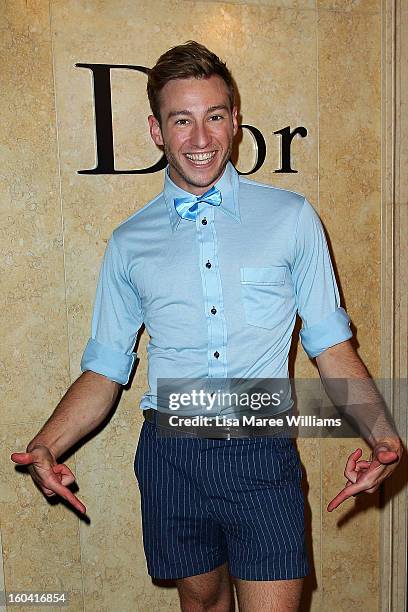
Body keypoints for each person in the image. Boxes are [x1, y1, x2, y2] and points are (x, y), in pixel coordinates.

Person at [11, 41, 402, 612]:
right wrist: (45, 445)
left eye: (214, 117)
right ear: (156, 130)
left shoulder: (291, 218)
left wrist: (383, 437)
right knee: (202, 607)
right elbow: (104, 370)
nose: (201, 139)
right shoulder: (128, 242)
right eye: (182, 120)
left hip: (261, 453)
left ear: (235, 120)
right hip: (171, 455)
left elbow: (331, 344)